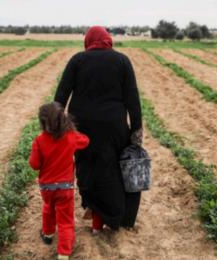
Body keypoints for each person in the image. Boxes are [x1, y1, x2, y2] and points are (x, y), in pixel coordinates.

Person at [54, 26, 143, 233]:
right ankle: (113, 218)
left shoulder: (77, 60)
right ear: (108, 40)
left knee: (89, 170)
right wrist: (136, 131)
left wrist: (55, 127)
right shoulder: (122, 61)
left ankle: (96, 217)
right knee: (112, 172)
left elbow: (60, 96)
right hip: (114, 128)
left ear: (88, 41)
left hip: (81, 128)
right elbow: (133, 100)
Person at [29, 102, 89, 260]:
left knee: (48, 208)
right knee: (65, 220)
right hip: (65, 188)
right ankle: (63, 253)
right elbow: (86, 141)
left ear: (43, 123)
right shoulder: (71, 137)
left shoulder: (39, 141)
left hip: (47, 188)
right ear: (64, 119)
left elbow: (34, 165)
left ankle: (48, 234)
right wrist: (73, 130)